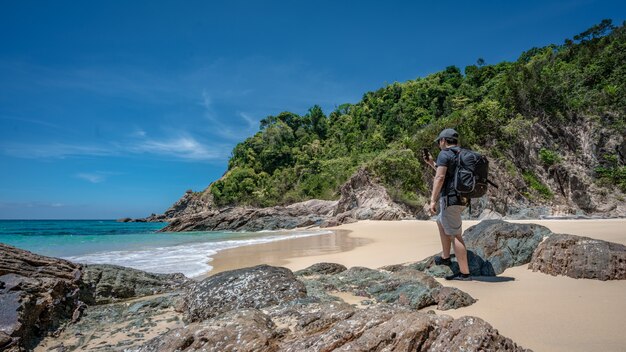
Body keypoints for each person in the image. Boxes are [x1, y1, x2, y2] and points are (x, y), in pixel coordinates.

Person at [423, 128, 472, 281]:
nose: (439, 144)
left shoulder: (445, 153)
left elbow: (440, 177)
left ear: (443, 140)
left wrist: (432, 200)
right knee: (440, 222)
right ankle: (445, 257)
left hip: (451, 198)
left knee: (455, 235)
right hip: (463, 198)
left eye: (439, 141)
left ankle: (465, 273)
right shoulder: (462, 153)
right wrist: (432, 163)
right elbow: (448, 172)